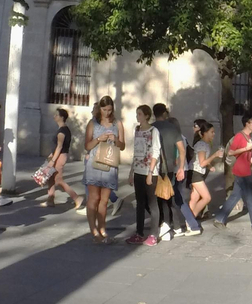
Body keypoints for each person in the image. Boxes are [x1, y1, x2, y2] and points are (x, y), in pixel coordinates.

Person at [151, 104, 200, 238]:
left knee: (174, 200)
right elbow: (182, 151)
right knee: (173, 199)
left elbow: (178, 153)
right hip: (175, 170)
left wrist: (179, 167)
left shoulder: (153, 128)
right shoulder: (174, 131)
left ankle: (186, 225)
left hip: (165, 169)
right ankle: (177, 226)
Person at [212, 114, 252, 229]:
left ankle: (219, 219)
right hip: (242, 172)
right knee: (251, 198)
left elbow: (247, 156)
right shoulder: (239, 137)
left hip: (245, 170)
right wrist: (246, 148)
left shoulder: (248, 138)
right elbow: (231, 152)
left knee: (235, 196)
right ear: (247, 123)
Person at [82, 96, 124, 243]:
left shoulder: (117, 123)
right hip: (94, 163)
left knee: (104, 201)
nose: (107, 113)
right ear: (99, 109)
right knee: (93, 199)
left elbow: (122, 146)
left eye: (109, 110)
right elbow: (87, 146)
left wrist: (115, 139)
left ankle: (103, 229)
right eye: (104, 109)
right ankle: (94, 231)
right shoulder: (92, 124)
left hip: (110, 164)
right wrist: (98, 139)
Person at [126, 104, 162, 245]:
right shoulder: (137, 130)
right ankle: (139, 232)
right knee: (140, 203)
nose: (137, 116)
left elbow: (156, 151)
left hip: (150, 172)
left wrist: (150, 172)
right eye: (136, 114)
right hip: (138, 171)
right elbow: (136, 152)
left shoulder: (154, 131)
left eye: (139, 114)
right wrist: (131, 171)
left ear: (147, 115)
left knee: (153, 204)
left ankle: (154, 234)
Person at [42, 108, 81, 208]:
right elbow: (57, 147)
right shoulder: (62, 129)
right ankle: (50, 200)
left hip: (60, 157)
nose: (54, 116)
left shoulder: (62, 131)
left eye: (56, 115)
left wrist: (53, 160)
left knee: (58, 180)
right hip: (58, 155)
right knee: (50, 178)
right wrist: (51, 155)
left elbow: (59, 147)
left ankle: (77, 198)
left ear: (62, 117)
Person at [189, 119, 220, 218]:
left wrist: (210, 166)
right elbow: (202, 163)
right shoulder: (202, 144)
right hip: (196, 173)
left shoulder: (205, 144)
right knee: (206, 198)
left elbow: (201, 160)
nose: (213, 134)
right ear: (205, 133)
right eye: (211, 132)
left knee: (194, 198)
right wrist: (215, 155)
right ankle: (191, 220)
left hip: (197, 172)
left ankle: (189, 221)